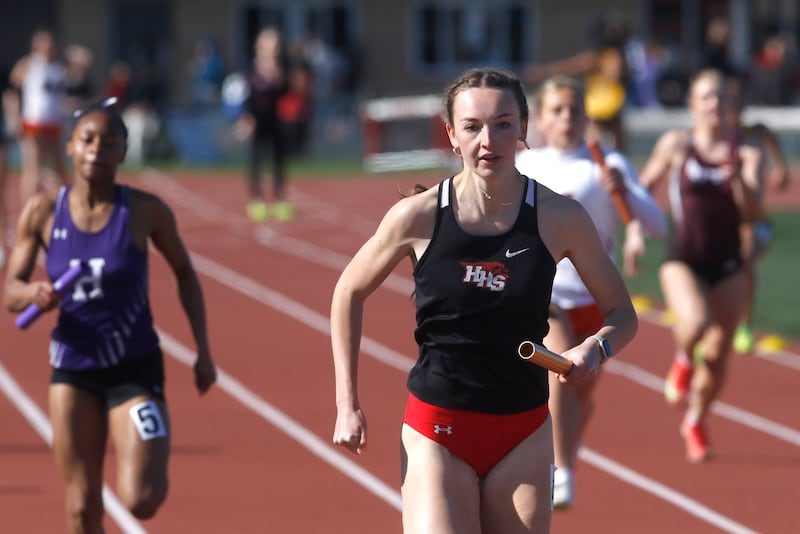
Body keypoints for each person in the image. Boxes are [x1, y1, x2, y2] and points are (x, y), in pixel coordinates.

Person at [330, 67, 638, 532]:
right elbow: (348, 292)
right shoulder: (417, 217)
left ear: (524, 129)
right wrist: (346, 402)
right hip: (437, 428)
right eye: (472, 127)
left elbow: (623, 313)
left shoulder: (560, 217)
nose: (488, 139)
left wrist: (596, 347)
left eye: (503, 124)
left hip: (523, 431)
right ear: (452, 135)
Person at [2, 97, 217, 533]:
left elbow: (185, 274)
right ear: (70, 147)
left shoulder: (145, 211)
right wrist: (33, 292)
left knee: (141, 498)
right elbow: (9, 291)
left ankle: (152, 447)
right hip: (73, 369)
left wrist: (203, 351)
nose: (97, 148)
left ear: (123, 152)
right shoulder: (44, 211)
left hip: (134, 369)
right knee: (81, 508)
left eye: (109, 141)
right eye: (88, 139)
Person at [515, 75, 666, 509]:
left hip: (597, 302)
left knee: (580, 394)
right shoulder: (527, 166)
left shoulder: (607, 163)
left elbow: (656, 225)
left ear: (587, 116)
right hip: (548, 296)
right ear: (540, 119)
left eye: (574, 110)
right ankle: (560, 469)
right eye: (557, 110)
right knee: (561, 370)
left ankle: (559, 459)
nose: (566, 118)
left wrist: (625, 194)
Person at [638, 69, 763, 463]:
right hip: (683, 257)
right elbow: (644, 190)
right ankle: (680, 362)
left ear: (731, 107)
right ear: (692, 105)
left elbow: (754, 213)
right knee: (694, 322)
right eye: (706, 97)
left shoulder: (747, 152)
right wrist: (636, 231)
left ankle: (695, 418)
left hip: (728, 263)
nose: (714, 105)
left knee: (718, 353)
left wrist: (739, 180)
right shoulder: (677, 145)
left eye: (721, 98)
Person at [726, 78, 790, 354]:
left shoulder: (755, 133)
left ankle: (744, 324)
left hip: (755, 221)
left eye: (738, 103)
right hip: (717, 223)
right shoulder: (708, 137)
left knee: (745, 255)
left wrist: (781, 166)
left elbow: (770, 138)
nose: (733, 109)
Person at [235, 27, 292, 223]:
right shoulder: (252, 67)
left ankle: (279, 199)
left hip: (276, 119)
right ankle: (256, 199)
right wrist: (246, 117)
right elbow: (247, 95)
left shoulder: (282, 67)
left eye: (276, 44)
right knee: (256, 160)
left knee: (278, 161)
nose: (273, 48)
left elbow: (287, 91)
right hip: (257, 120)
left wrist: (279, 77)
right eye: (269, 44)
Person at [9, 28, 68, 205]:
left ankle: (63, 205)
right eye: (44, 43)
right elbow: (12, 91)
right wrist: (15, 116)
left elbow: (84, 60)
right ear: (36, 45)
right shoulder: (28, 64)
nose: (48, 47)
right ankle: (29, 206)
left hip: (54, 122)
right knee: (33, 168)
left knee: (60, 167)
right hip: (34, 122)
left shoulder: (59, 66)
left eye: (50, 43)